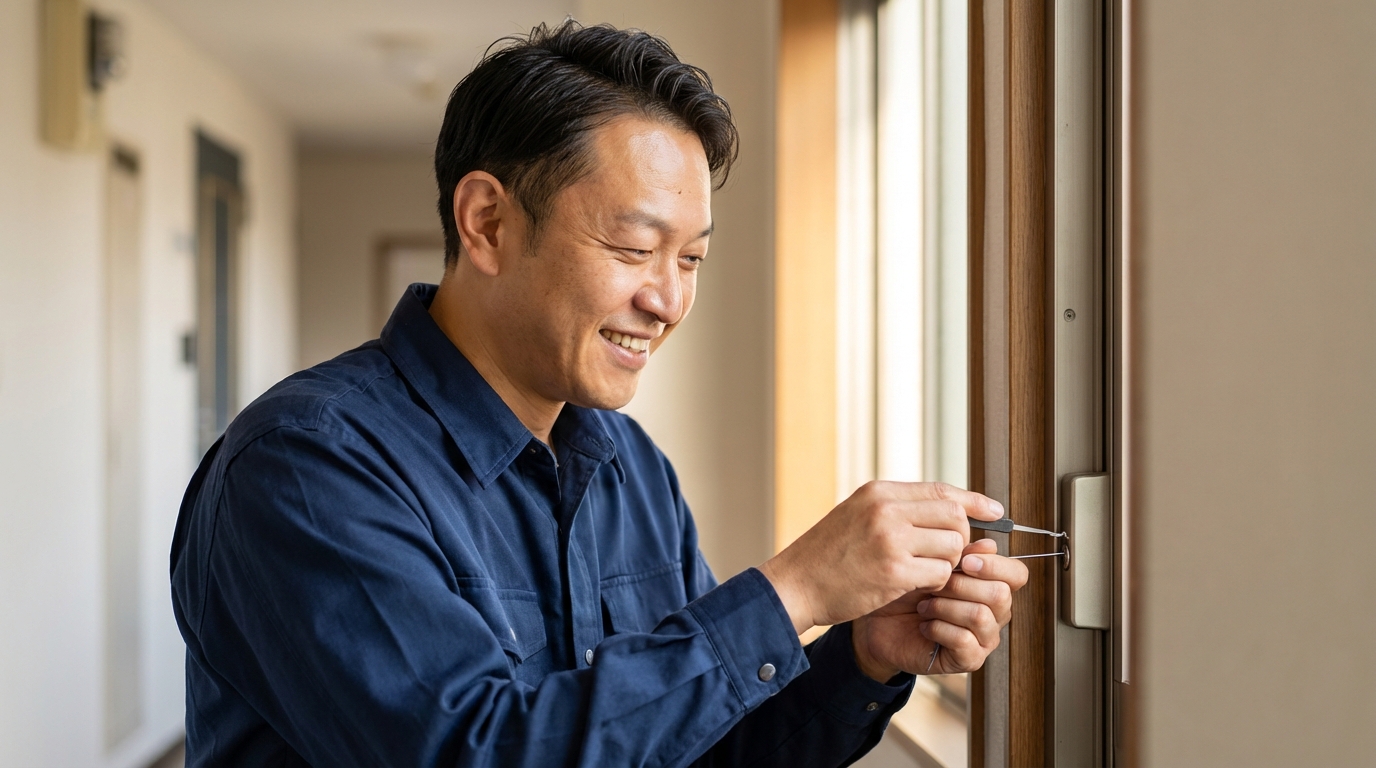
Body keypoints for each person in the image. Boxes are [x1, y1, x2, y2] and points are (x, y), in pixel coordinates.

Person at [170, 20, 1028, 767]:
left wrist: (865, 659)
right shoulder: (305, 465)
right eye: (633, 247)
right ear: (488, 224)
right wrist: (792, 591)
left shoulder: (630, 468)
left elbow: (686, 749)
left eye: (690, 258)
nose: (669, 300)